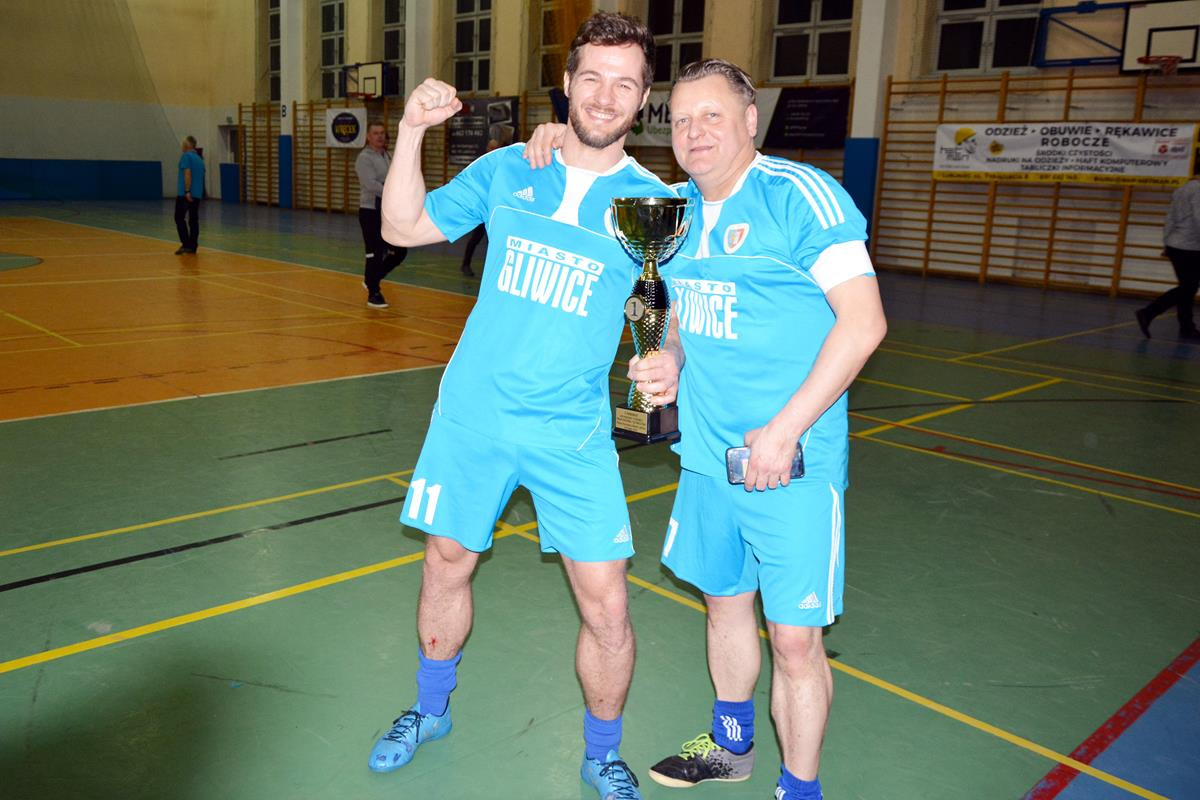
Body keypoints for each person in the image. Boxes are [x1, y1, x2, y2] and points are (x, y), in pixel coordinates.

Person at [371, 13, 675, 799]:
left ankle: (601, 753)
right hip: (473, 415)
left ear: (642, 100)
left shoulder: (655, 204)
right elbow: (403, 224)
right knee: (445, 563)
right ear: (567, 84)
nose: (605, 96)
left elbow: (662, 310)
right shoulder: (509, 167)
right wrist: (411, 130)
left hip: (571, 431)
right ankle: (429, 709)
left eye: (624, 83)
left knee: (607, 605)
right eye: (592, 77)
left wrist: (667, 355)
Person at [632, 59, 886, 800]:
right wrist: (670, 357)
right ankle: (730, 746)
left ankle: (798, 789)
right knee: (724, 604)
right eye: (682, 120)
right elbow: (681, 314)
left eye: (712, 115)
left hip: (792, 463)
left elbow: (864, 323)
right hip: (707, 459)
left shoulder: (799, 195)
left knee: (797, 642)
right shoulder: (676, 213)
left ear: (750, 121)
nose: (694, 132)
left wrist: (784, 430)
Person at [1136, 163, 1200, 341]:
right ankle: (1148, 312)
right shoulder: (1198, 190)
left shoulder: (1181, 189)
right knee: (1189, 287)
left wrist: (1166, 242)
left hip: (1177, 244)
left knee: (1188, 287)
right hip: (1189, 246)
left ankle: (1187, 328)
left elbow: (1170, 218)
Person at [356, 121, 408, 308]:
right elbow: (371, 184)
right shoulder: (364, 158)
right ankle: (374, 293)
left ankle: (372, 278)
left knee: (400, 251)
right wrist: (392, 192)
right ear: (368, 137)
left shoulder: (387, 156)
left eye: (382, 133)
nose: (380, 136)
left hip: (388, 212)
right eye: (376, 133)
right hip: (370, 211)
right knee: (375, 252)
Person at [174, 136, 204, 255]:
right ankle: (193, 245)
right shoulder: (199, 159)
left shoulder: (186, 156)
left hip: (185, 194)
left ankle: (186, 244)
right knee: (193, 220)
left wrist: (187, 191)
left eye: (183, 143)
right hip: (197, 194)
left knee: (179, 217)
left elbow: (187, 173)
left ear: (187, 145)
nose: (182, 146)